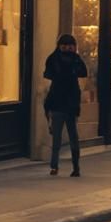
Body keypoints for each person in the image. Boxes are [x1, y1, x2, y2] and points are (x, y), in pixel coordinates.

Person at [42, 34, 87, 177]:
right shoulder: (55, 59)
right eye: (64, 45)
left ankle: (74, 167)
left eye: (70, 46)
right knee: (59, 138)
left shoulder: (74, 59)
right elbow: (49, 74)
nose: (67, 48)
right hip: (59, 103)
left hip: (67, 103)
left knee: (69, 137)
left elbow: (83, 72)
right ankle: (56, 166)